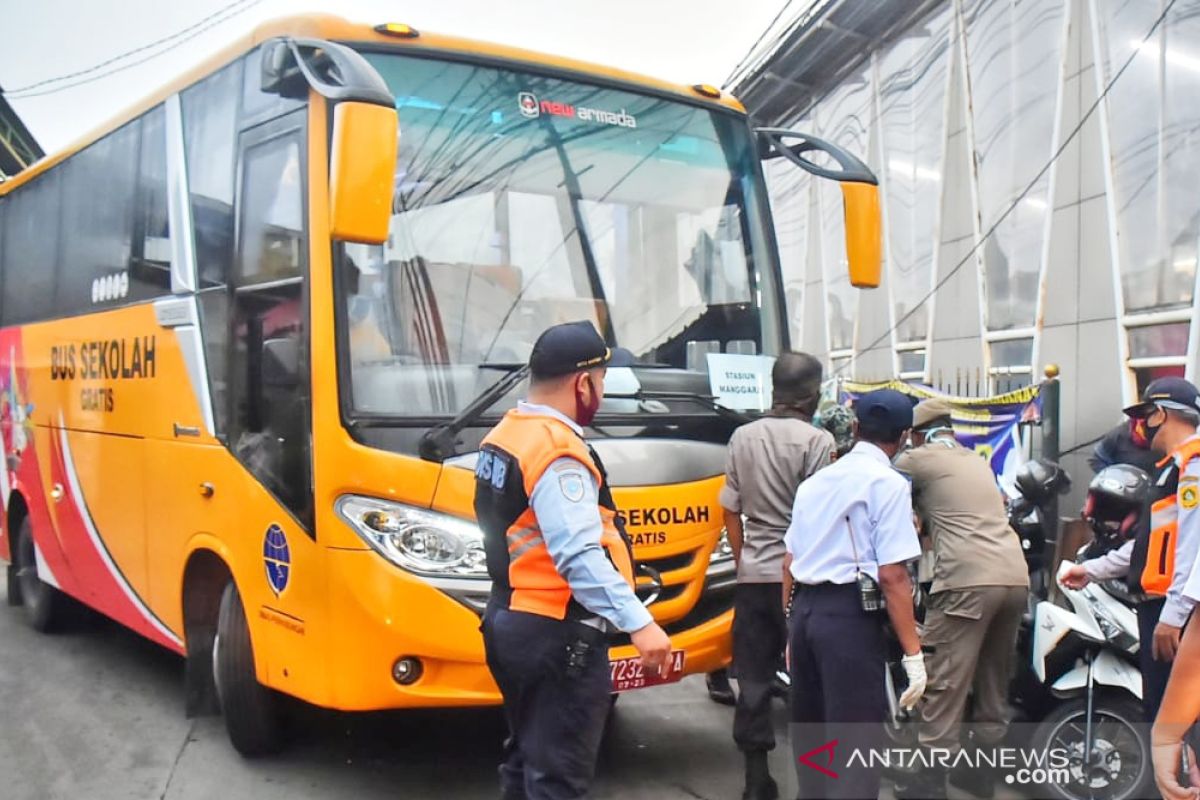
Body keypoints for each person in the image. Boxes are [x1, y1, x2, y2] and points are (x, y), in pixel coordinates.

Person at [474, 320, 673, 800]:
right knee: (558, 778)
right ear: (583, 382)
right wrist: (640, 623)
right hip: (557, 634)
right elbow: (578, 554)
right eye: (601, 382)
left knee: (526, 761)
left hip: (510, 620)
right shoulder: (557, 450)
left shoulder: (507, 432)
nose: (601, 394)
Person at [784, 389, 926, 800]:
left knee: (813, 737)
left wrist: (792, 627)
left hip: (806, 613)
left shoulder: (814, 483)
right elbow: (893, 576)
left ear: (857, 428)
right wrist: (913, 654)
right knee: (856, 742)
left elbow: (787, 562)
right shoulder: (889, 484)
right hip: (849, 618)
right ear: (903, 437)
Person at [892, 398, 1029, 799]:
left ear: (916, 433)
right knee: (993, 680)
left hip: (967, 582)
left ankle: (930, 784)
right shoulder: (974, 460)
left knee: (944, 680)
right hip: (1013, 578)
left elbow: (876, 481)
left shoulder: (917, 460)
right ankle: (981, 776)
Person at [719, 351, 834, 800]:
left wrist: (744, 556)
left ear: (773, 390)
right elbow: (820, 514)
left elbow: (730, 507)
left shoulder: (741, 437)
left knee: (753, 676)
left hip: (753, 577)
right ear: (812, 395)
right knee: (808, 679)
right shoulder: (819, 442)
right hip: (801, 579)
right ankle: (814, 781)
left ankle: (755, 780)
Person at [1061, 376, 1200, 721]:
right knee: (1164, 715)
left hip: (1174, 611)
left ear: (1162, 414)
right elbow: (1152, 545)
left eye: (1146, 414)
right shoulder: (1173, 467)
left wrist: (1174, 615)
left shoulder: (1192, 465)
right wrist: (1091, 570)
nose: (1141, 425)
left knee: (1175, 721)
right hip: (1162, 607)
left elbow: (1193, 546)